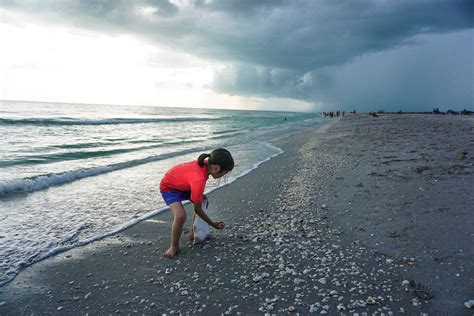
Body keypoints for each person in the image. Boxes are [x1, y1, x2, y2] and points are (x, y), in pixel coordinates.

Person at [160, 148, 234, 258]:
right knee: (180, 216)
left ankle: (193, 233)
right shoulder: (199, 179)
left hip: (184, 185)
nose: (223, 176)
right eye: (224, 173)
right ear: (216, 168)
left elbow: (198, 203)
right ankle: (174, 246)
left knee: (203, 201)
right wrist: (213, 224)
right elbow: (197, 209)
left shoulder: (206, 164)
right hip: (169, 187)